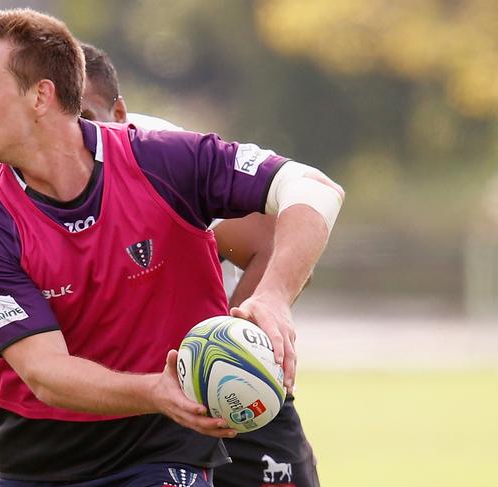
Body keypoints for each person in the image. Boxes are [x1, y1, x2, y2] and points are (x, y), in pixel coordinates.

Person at [0, 8, 343, 487]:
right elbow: (45, 373)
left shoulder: (164, 161)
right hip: (42, 462)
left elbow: (315, 190)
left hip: (163, 451)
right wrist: (157, 389)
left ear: (41, 95)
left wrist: (274, 297)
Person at [78, 43, 322, 487]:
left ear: (119, 113)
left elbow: (267, 241)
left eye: (85, 118)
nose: (74, 136)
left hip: (218, 388)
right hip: (117, 415)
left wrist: (229, 346)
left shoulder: (163, 161)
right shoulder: (10, 188)